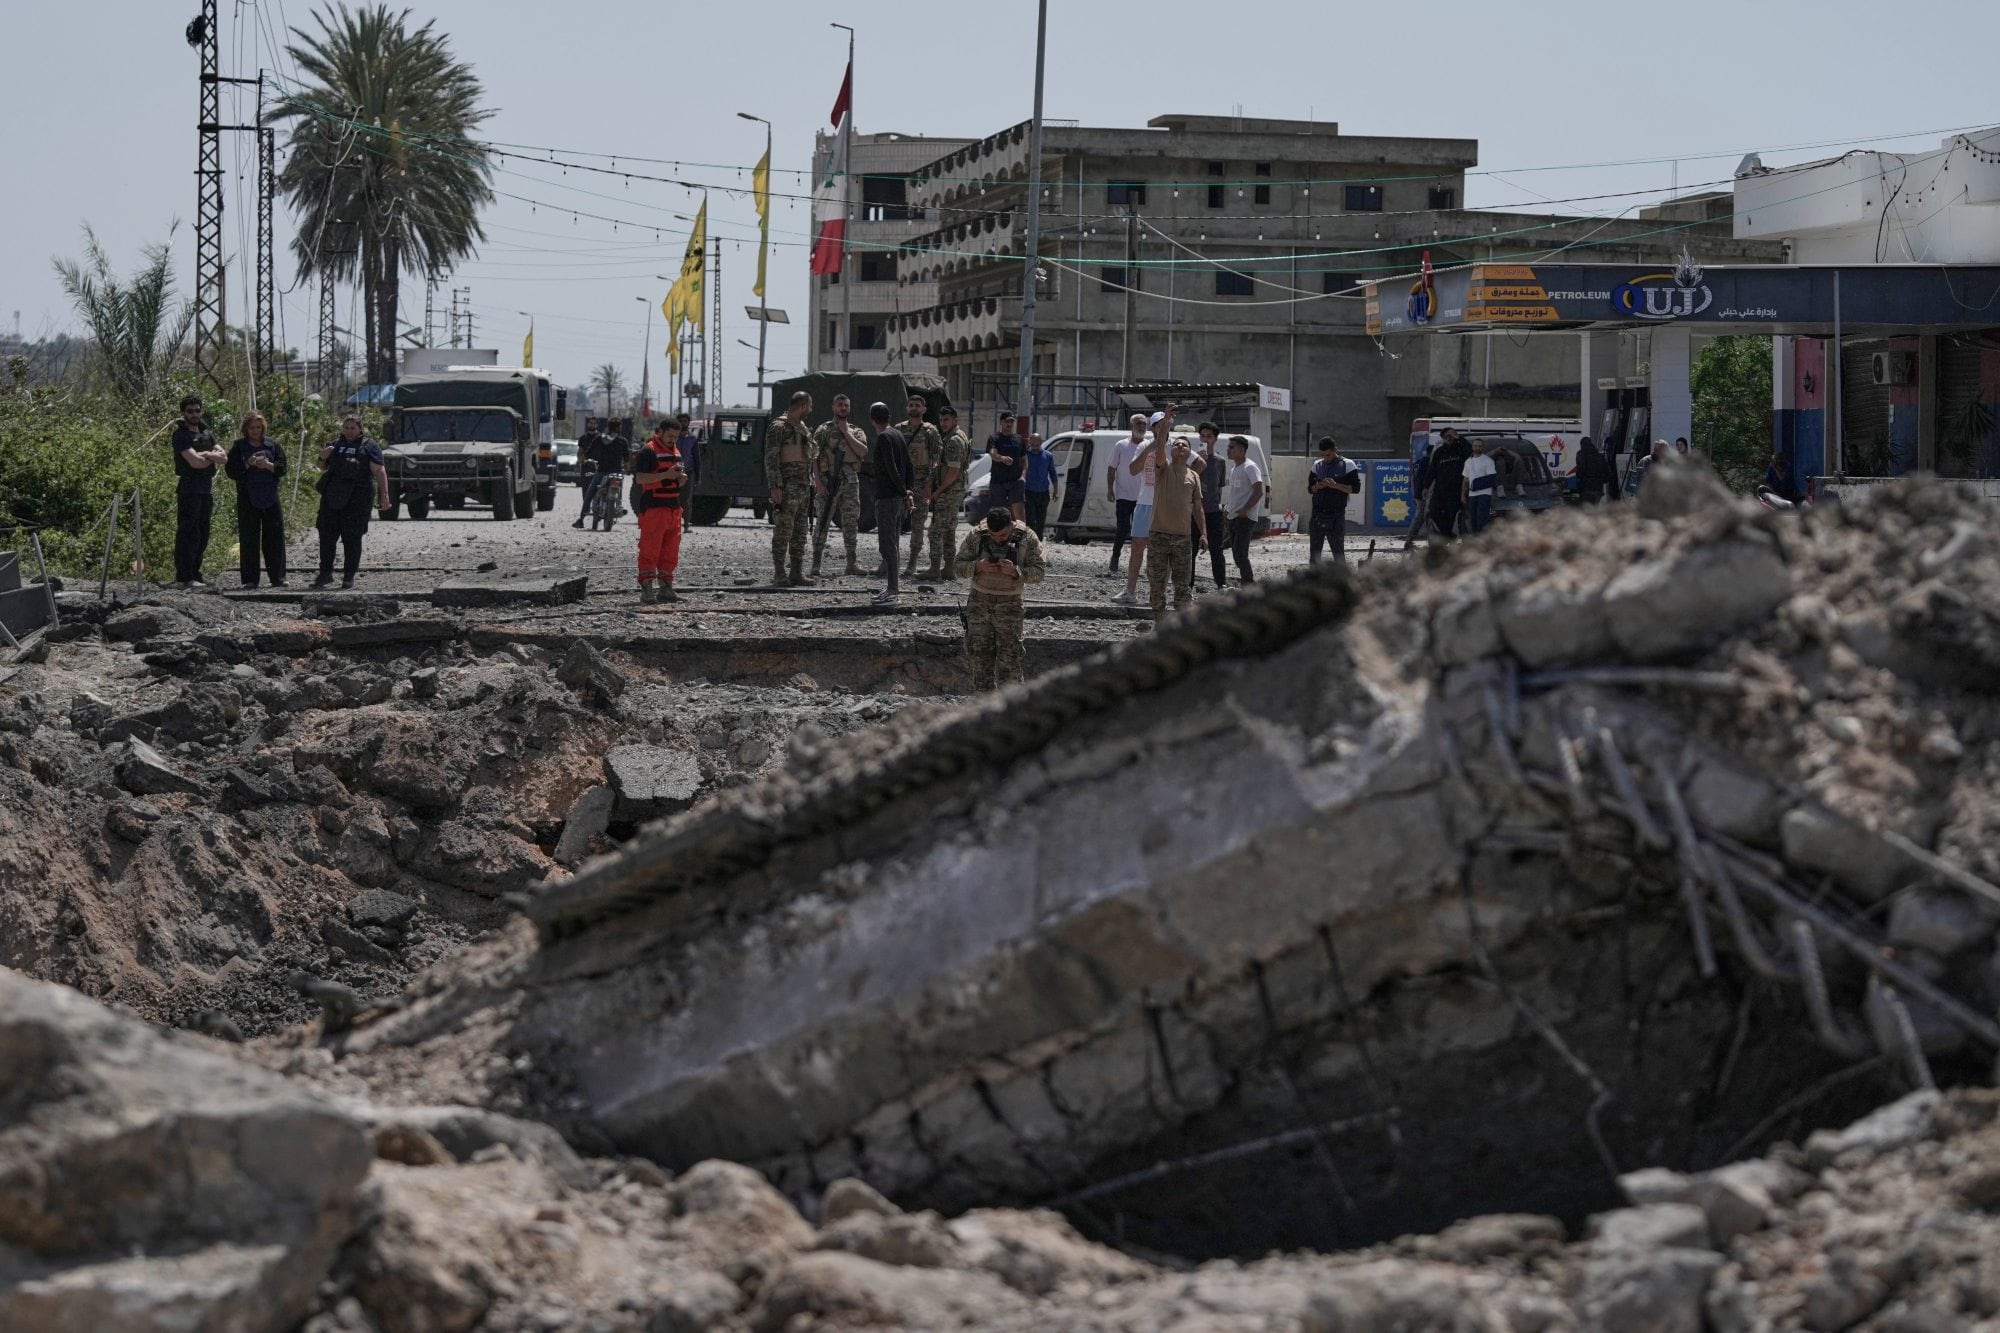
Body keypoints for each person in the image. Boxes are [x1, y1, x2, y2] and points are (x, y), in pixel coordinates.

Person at [955, 506, 1046, 690]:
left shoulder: (1027, 538)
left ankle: (1011, 713)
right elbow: (957, 566)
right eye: (993, 535)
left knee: (1010, 664)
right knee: (980, 662)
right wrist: (977, 567)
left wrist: (1017, 572)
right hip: (979, 604)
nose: (997, 540)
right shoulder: (977, 535)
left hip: (1009, 606)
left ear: (1011, 526)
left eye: (1003, 536)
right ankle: (985, 711)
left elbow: (1040, 572)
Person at [312, 414, 389, 589]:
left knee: (352, 537)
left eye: (353, 428)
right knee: (327, 535)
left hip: (358, 498)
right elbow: (321, 466)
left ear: (360, 429)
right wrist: (323, 456)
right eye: (346, 428)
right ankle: (325, 574)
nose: (349, 431)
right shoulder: (334, 445)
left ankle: (349, 576)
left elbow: (380, 471)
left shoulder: (370, 446)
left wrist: (384, 495)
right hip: (332, 496)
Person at [1144, 426, 1208, 623]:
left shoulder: (1193, 476)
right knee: (1157, 582)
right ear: (1171, 450)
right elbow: (1161, 448)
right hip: (1159, 535)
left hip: (1182, 537)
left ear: (1190, 452)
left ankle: (1181, 624)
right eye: (1176, 444)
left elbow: (1198, 507)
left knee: (1182, 584)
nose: (1180, 446)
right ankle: (1160, 620)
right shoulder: (1163, 468)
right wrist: (1166, 423)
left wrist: (1203, 533)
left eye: (1185, 445)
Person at [224, 410, 287, 588]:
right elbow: (231, 471)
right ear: (246, 429)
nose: (255, 431)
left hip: (270, 495)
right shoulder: (239, 446)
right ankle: (250, 579)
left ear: (263, 428)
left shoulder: (272, 445)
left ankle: (278, 578)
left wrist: (268, 465)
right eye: (252, 427)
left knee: (274, 537)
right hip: (247, 497)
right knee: (249, 538)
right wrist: (247, 463)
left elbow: (283, 468)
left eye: (258, 427)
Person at [169, 393, 226, 588]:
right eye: (190, 411)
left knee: (203, 533)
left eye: (197, 410)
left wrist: (207, 453)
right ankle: (184, 576)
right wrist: (211, 456)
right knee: (188, 532)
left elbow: (224, 457)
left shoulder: (206, 433)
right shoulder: (181, 435)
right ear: (183, 413)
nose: (194, 414)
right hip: (188, 489)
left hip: (205, 489)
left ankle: (195, 573)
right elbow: (195, 462)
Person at [765, 390, 819, 586]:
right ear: (803, 406)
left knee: (800, 531)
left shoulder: (802, 427)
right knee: (783, 529)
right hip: (787, 487)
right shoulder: (778, 427)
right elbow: (771, 458)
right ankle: (779, 573)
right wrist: (775, 486)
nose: (811, 410)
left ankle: (796, 572)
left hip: (804, 486)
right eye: (810, 407)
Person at [630, 418, 688, 604]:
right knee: (650, 549)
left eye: (676, 437)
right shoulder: (648, 450)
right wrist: (666, 475)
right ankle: (647, 590)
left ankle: (666, 588)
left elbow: (674, 476)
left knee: (670, 551)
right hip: (654, 507)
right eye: (670, 435)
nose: (673, 440)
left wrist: (681, 479)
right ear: (660, 432)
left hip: (673, 508)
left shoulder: (676, 451)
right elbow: (639, 478)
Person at [812, 394, 869, 577]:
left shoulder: (856, 431)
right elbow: (813, 457)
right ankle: (816, 564)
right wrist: (818, 482)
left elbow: (862, 451)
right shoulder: (823, 430)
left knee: (851, 522)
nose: (843, 408)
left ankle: (851, 563)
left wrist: (846, 433)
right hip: (828, 482)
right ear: (833, 407)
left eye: (846, 405)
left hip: (851, 484)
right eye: (840, 405)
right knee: (823, 522)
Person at [866, 402, 915, 606]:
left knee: (888, 545)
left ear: (872, 419)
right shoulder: (898, 435)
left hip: (887, 498)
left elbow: (891, 468)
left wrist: (904, 491)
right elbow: (909, 466)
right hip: (897, 498)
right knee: (891, 544)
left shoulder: (885, 437)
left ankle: (893, 591)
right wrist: (908, 490)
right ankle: (891, 589)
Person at [900, 396, 944, 579]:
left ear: (924, 409)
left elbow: (937, 460)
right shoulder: (899, 429)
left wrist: (929, 485)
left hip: (920, 483)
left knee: (917, 525)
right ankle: (887, 561)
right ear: (906, 408)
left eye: (917, 405)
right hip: (901, 483)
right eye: (911, 405)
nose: (914, 408)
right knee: (893, 523)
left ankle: (912, 562)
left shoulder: (930, 431)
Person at [926, 405, 971, 579]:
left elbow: (953, 472)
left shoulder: (953, 441)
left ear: (955, 420)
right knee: (949, 530)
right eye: (941, 420)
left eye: (947, 420)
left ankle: (935, 568)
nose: (943, 423)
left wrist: (938, 491)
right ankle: (949, 568)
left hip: (949, 491)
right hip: (954, 490)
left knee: (935, 530)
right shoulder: (957, 436)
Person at [1307, 436, 1360, 563]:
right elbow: (1310, 488)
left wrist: (1335, 485)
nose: (1326, 458)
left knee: (1338, 553)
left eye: (1329, 455)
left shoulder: (1347, 464)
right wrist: (1318, 486)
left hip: (1336, 514)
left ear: (1335, 450)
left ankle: (1340, 580)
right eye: (1323, 455)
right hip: (1317, 514)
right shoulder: (1317, 465)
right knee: (1315, 553)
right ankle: (1313, 580)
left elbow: (1355, 488)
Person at [1106, 414, 1147, 577]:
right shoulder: (1121, 445)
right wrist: (1110, 489)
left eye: (1144, 424)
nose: (1142, 426)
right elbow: (1111, 468)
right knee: (1123, 528)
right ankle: (1115, 558)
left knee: (1141, 533)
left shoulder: (1147, 446)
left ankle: (1138, 565)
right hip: (1123, 495)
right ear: (1132, 425)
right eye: (1139, 423)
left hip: (1142, 497)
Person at [1222, 435, 1264, 584]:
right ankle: (1246, 582)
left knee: (1240, 553)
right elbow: (1235, 493)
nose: (1228, 450)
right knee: (1236, 553)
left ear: (1242, 450)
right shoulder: (1235, 468)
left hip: (1245, 518)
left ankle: (1249, 584)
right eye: (1228, 447)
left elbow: (1259, 491)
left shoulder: (1250, 467)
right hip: (1233, 516)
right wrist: (1227, 509)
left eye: (1231, 447)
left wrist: (1246, 509)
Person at [1196, 422, 1229, 587]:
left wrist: (1221, 508)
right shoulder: (1192, 458)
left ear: (1215, 439)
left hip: (1213, 512)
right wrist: (1199, 462)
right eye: (1202, 436)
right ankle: (1187, 586)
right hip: (1194, 512)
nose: (1205, 439)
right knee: (1190, 551)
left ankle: (1221, 584)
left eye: (1209, 436)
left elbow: (1219, 488)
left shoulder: (1220, 461)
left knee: (1217, 550)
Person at [1425, 428, 1470, 540]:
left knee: (1450, 516)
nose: (1448, 438)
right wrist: (1425, 486)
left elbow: (1471, 454)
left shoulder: (1462, 449)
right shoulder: (1439, 452)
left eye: (1451, 436)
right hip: (1440, 490)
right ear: (1443, 438)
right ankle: (1449, 535)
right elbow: (1432, 471)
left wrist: (1459, 438)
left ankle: (1446, 540)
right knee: (1433, 510)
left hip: (1456, 491)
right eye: (1446, 436)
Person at [986, 411, 1027, 524]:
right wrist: (1002, 458)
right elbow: (993, 454)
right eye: (1007, 421)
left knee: (1020, 515)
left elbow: (1024, 460)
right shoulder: (994, 438)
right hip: (998, 481)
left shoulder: (1019, 439)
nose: (1009, 424)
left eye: (1011, 421)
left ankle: (1021, 538)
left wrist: (1023, 475)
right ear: (1001, 422)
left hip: (1015, 481)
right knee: (997, 514)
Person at [1021, 433, 1059, 539]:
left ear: (1041, 443)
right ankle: (1031, 539)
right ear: (1029, 443)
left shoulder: (1047, 456)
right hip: (1029, 492)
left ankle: (1038, 540)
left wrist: (1056, 491)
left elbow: (1053, 474)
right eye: (1032, 445)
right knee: (1031, 518)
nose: (1035, 447)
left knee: (1041, 519)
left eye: (1037, 445)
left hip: (1043, 492)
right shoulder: (1025, 455)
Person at [1461, 436, 1499, 533]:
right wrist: (1463, 495)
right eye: (1476, 446)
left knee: (1482, 518)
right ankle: (1476, 541)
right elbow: (1465, 479)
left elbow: (1491, 478)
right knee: (1473, 519)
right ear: (1472, 447)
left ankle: (1482, 541)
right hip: (1471, 495)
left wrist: (1477, 484)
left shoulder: (1488, 461)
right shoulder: (1468, 461)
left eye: (1480, 446)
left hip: (1484, 494)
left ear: (1483, 447)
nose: (1477, 447)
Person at [572, 416, 605, 527]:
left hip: (599, 468)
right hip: (586, 467)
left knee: (600, 492)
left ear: (597, 425)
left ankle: (599, 514)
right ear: (588, 424)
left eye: (594, 423)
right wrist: (579, 463)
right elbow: (580, 452)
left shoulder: (601, 438)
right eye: (590, 423)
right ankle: (582, 518)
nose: (592, 425)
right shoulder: (583, 438)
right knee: (586, 495)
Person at [1574, 435, 1614, 503]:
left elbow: (1580, 473)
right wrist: (1601, 480)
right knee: (1594, 509)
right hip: (1598, 490)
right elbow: (1608, 474)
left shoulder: (1581, 454)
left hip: (1586, 489)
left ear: (1582, 445)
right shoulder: (1600, 456)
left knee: (1586, 510)